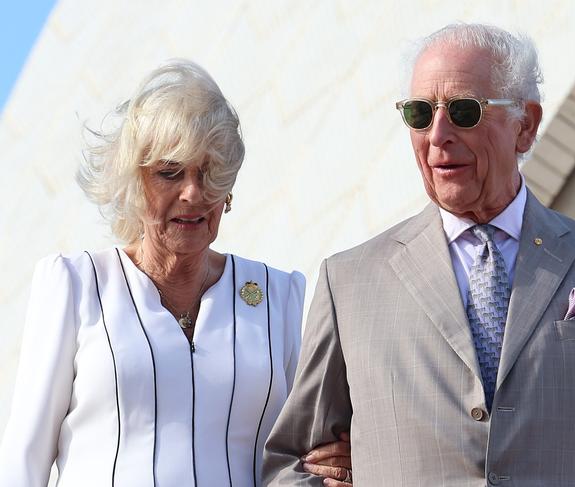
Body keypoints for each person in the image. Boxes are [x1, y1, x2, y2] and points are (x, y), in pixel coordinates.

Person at [264, 23, 575, 485]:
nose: (438, 134)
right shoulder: (347, 283)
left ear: (525, 126)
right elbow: (290, 464)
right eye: (419, 113)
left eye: (464, 111)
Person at [0, 60, 350, 487]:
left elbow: (310, 447)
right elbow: (23, 461)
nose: (192, 193)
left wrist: (343, 458)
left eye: (209, 174)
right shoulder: (76, 286)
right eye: (169, 173)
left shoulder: (278, 296)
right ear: (133, 181)